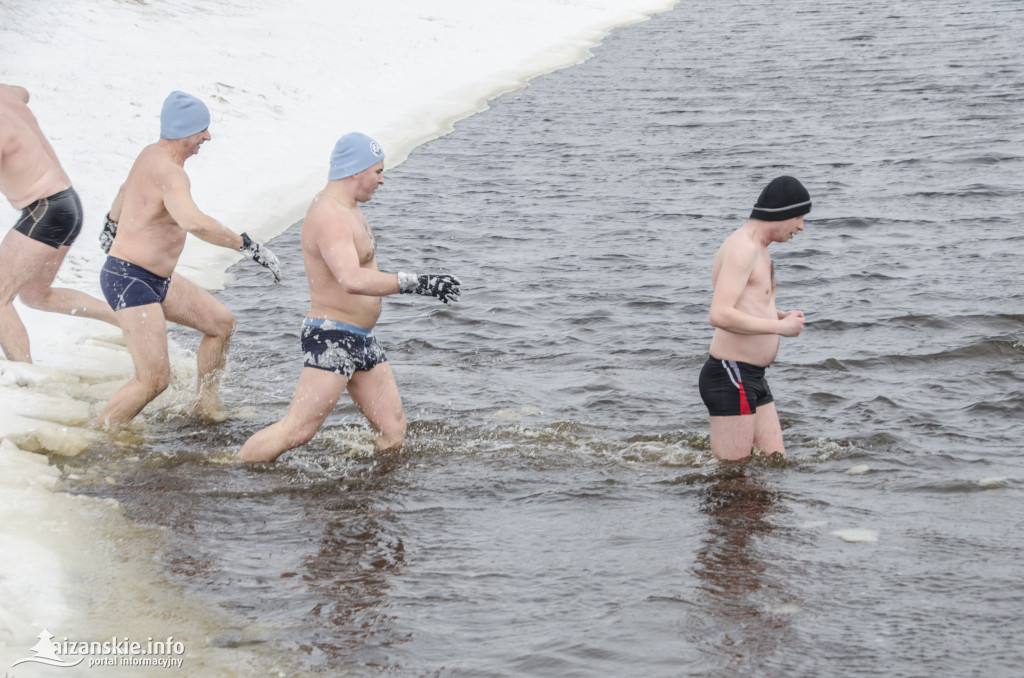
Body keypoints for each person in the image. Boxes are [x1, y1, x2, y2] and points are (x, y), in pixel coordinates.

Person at [236, 132, 460, 463]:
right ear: (356, 171)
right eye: (378, 172)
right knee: (297, 431)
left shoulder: (349, 207)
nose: (382, 181)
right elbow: (351, 279)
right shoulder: (329, 214)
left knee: (393, 430)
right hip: (332, 336)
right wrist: (418, 283)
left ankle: (377, 502)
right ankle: (233, 470)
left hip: (362, 337)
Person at [94, 91, 281, 427]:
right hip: (129, 278)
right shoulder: (169, 172)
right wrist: (248, 246)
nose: (207, 137)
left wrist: (111, 223)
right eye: (202, 130)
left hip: (154, 278)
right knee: (153, 380)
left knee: (221, 325)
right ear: (184, 131)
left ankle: (204, 405)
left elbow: (124, 190)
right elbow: (193, 222)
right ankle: (100, 434)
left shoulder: (149, 154)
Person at [0, 83, 120, 363]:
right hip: (65, 204)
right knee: (36, 295)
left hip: (46, 210)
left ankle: (24, 378)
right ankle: (132, 323)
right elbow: (23, 92)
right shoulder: (4, 93)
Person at [699, 176, 811, 460]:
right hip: (731, 374)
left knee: (775, 462)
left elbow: (745, 307)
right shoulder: (743, 248)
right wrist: (780, 327)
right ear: (781, 211)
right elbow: (719, 314)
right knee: (734, 479)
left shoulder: (760, 249)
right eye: (798, 217)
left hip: (753, 376)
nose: (801, 226)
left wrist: (778, 314)